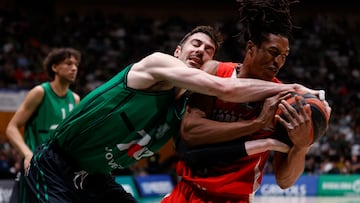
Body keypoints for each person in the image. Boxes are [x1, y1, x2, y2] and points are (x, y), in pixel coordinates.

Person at [19, 24, 321, 203]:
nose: (201, 51)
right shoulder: (155, 65)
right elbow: (225, 88)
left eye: (209, 51)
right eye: (196, 44)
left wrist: (294, 143)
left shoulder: (180, 109)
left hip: (95, 176)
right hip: (55, 166)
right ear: (177, 51)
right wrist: (294, 87)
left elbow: (199, 148)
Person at [161, 0, 332, 202]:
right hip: (188, 192)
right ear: (251, 47)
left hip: (234, 198)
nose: (278, 62)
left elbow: (285, 181)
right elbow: (191, 131)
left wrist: (301, 147)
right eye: (273, 52)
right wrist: (256, 124)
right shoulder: (216, 72)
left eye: (284, 56)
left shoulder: (283, 101)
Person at [5, 47, 81, 202]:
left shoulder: (75, 99)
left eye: (76, 64)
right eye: (68, 63)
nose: (74, 68)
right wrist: (27, 154)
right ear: (54, 67)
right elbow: (11, 128)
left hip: (60, 170)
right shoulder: (40, 92)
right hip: (35, 167)